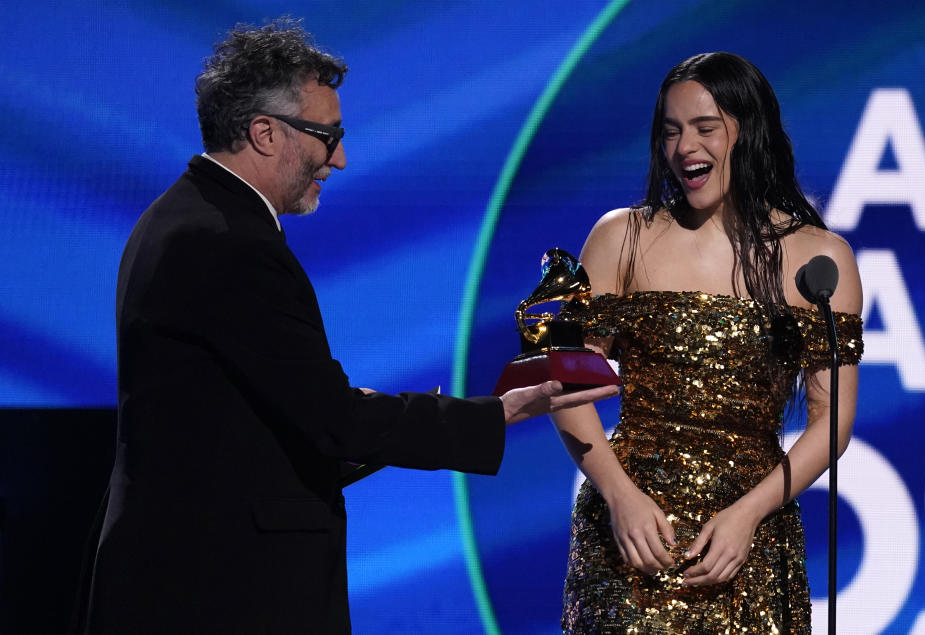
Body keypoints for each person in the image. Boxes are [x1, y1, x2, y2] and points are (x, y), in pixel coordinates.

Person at [71, 18, 617, 635]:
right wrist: (499, 413)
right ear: (265, 133)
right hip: (221, 589)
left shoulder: (187, 217)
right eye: (328, 136)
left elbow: (262, 415)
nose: (341, 157)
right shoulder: (226, 242)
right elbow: (332, 420)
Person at [551, 52, 863, 633]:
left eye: (704, 128)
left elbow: (830, 416)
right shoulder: (622, 236)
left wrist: (748, 515)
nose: (684, 147)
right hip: (630, 540)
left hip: (748, 541)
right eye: (670, 132)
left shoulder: (817, 257)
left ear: (750, 131)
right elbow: (569, 379)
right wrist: (620, 497)